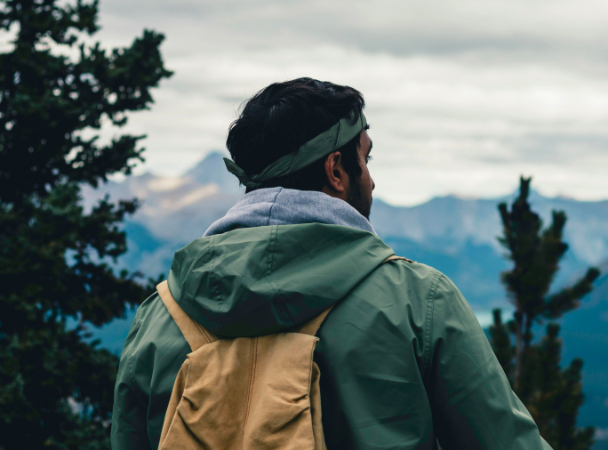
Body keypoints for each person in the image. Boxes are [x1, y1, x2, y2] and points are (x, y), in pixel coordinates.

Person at [111, 77, 551, 450]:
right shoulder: (419, 301)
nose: (372, 178)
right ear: (336, 169)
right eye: (366, 157)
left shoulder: (160, 313)